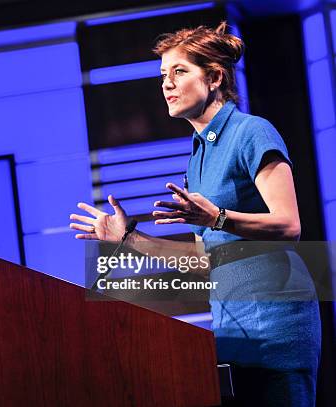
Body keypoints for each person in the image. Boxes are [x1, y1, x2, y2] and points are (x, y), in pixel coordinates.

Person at [69, 22, 321, 406]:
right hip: (232, 333)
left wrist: (218, 217)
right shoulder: (198, 155)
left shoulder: (251, 132)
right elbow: (204, 261)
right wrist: (127, 239)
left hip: (275, 327)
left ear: (215, 77)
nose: (166, 84)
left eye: (179, 71)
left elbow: (290, 225)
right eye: (162, 75)